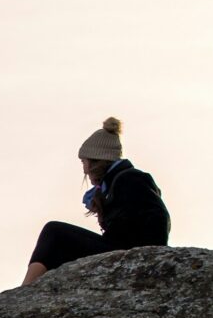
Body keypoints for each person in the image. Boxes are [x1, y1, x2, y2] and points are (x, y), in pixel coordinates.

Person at [21, 118, 170, 284]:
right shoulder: (113, 184)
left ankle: (26, 288)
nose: (84, 169)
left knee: (54, 232)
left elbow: (158, 217)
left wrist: (148, 258)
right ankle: (37, 289)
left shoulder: (131, 178)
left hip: (129, 256)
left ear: (96, 161)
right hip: (122, 252)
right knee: (59, 245)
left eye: (84, 161)